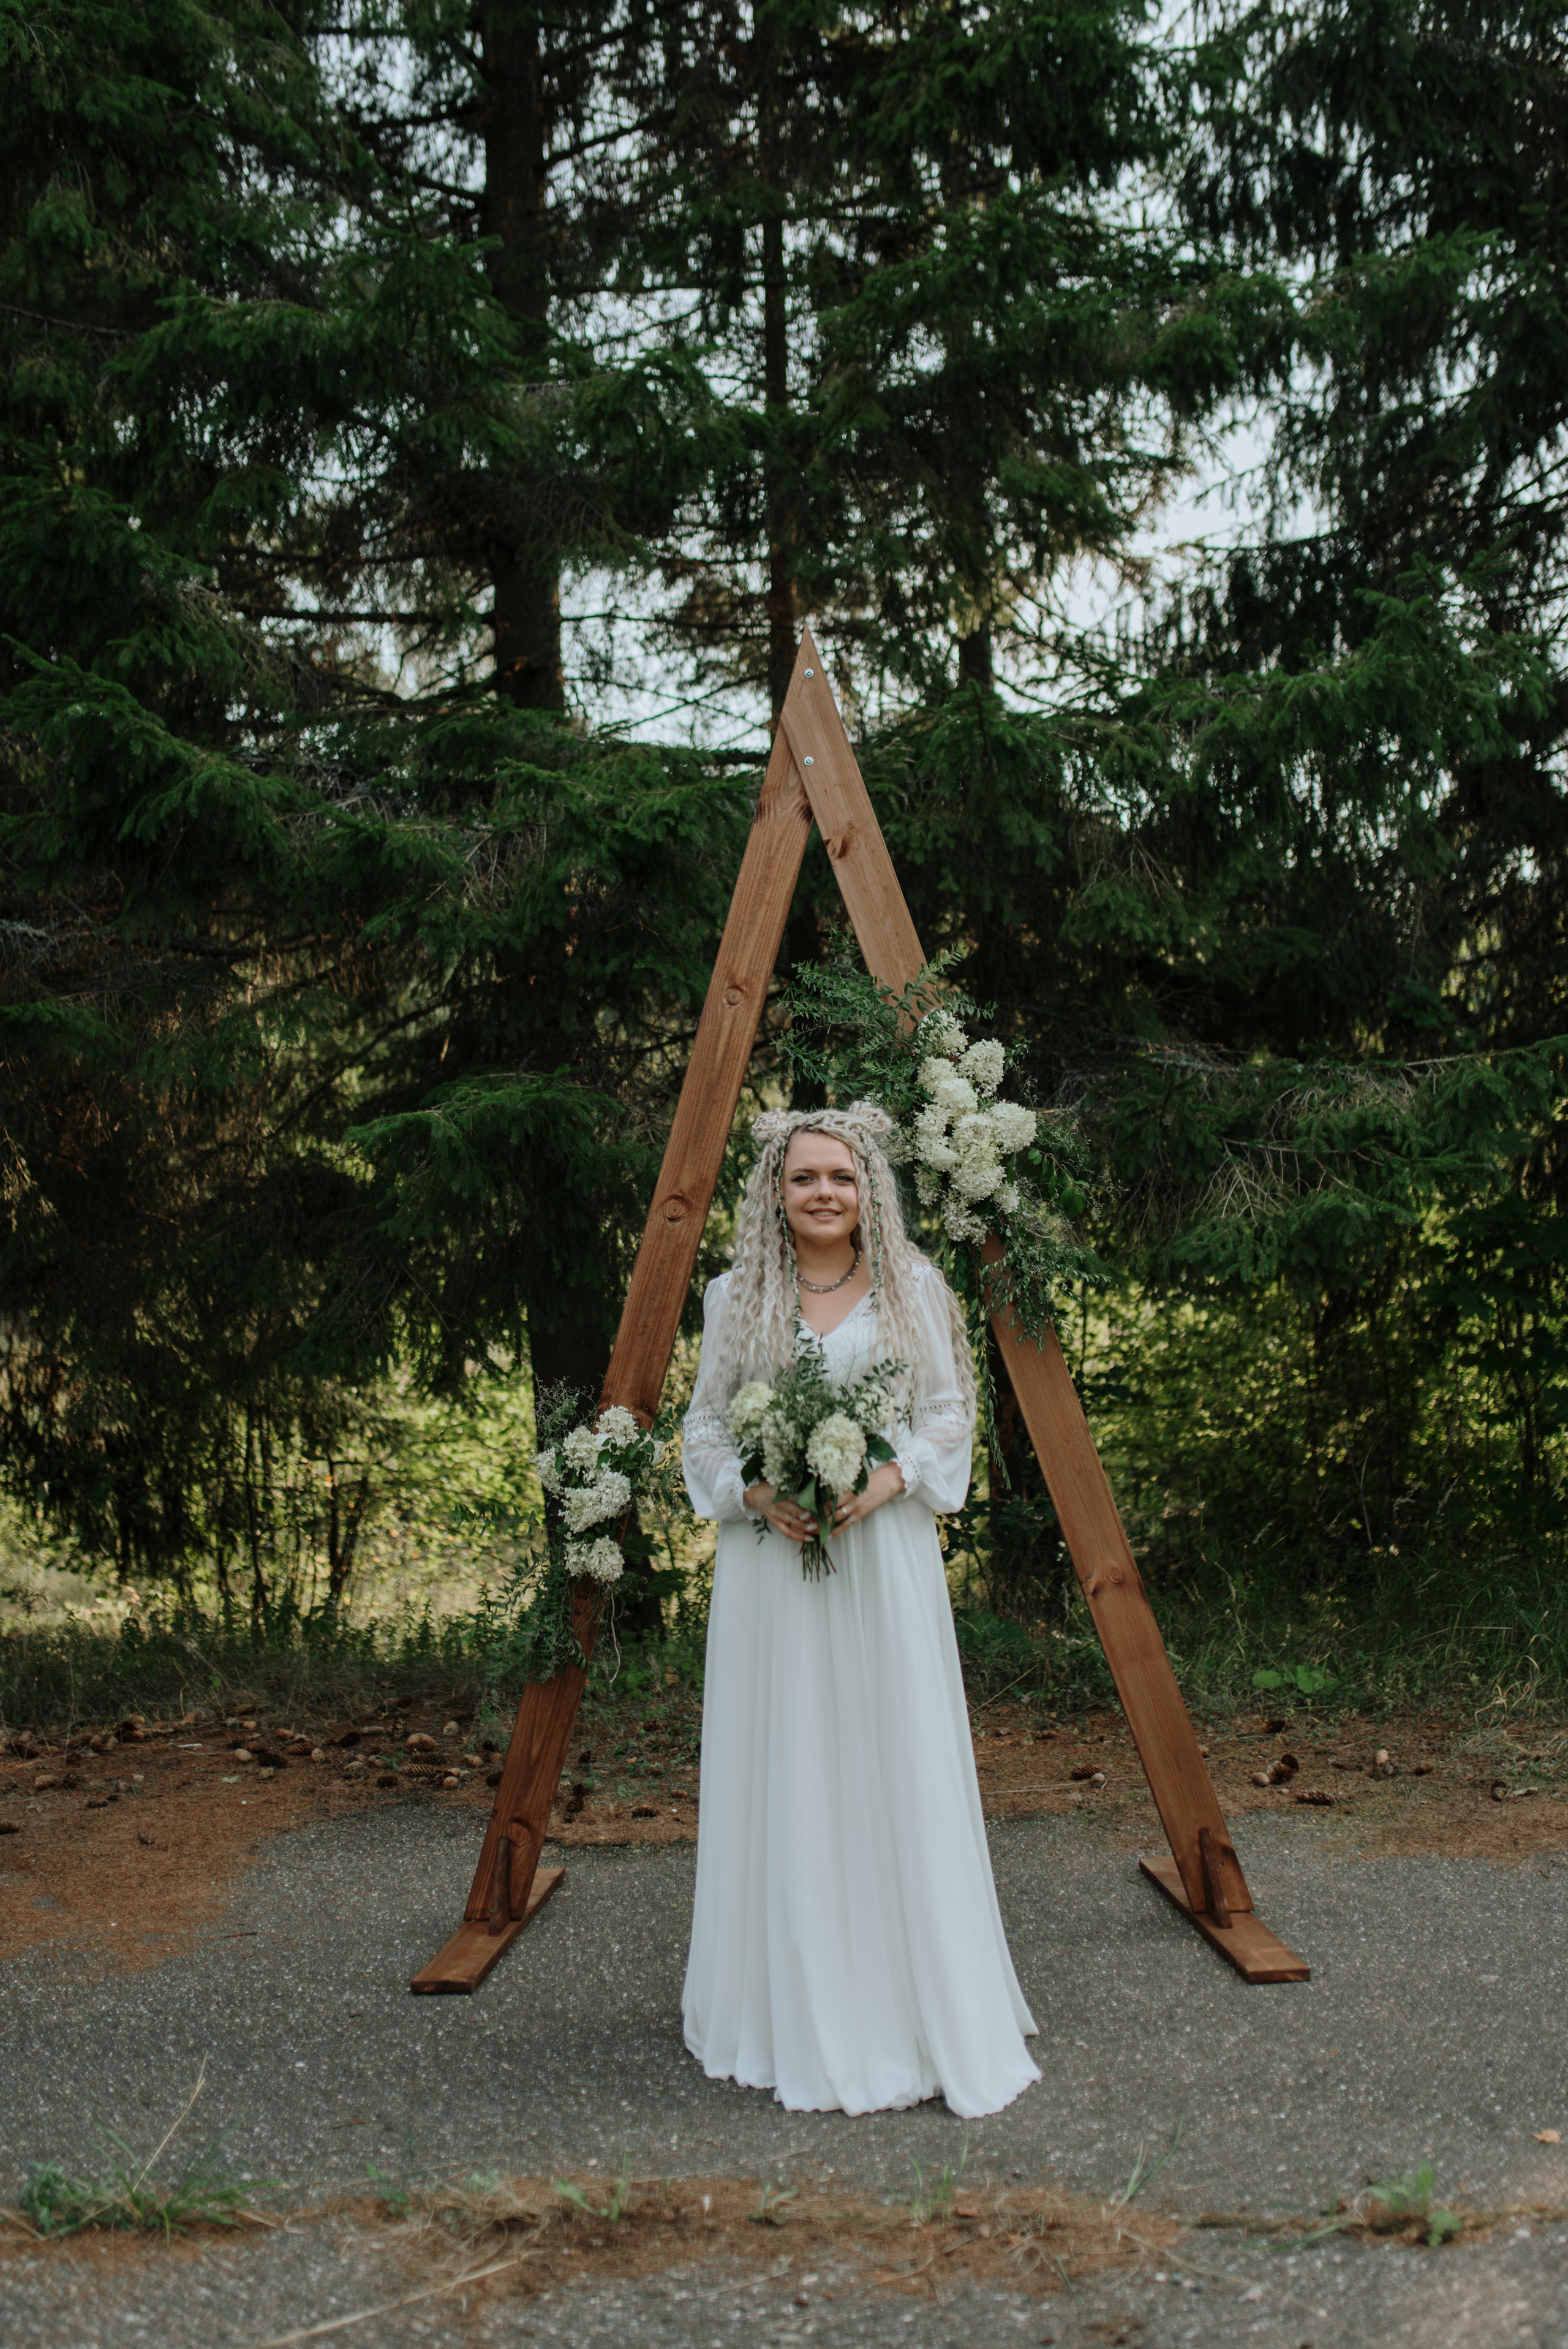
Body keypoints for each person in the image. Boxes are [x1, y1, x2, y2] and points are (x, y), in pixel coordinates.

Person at [680, 1101, 1040, 2118]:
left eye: (840, 1175)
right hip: (772, 1567)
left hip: (881, 1557)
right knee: (786, 1757)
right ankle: (785, 1997)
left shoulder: (913, 1287)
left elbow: (946, 1413)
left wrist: (886, 1480)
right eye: (804, 1178)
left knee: (892, 1753)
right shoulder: (734, 1295)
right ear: (776, 1191)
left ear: (868, 1185)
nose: (823, 1192)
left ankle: (912, 1999)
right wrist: (755, 1491)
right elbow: (704, 1428)